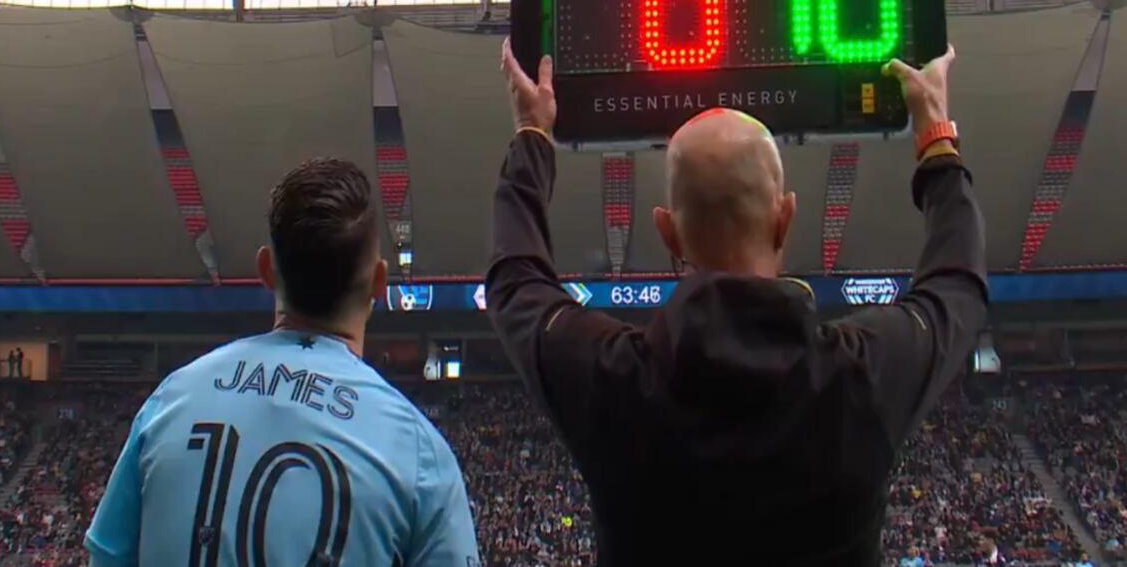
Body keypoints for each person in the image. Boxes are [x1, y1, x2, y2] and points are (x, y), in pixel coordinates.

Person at [488, 40, 987, 566]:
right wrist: (935, 136)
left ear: (668, 233)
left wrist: (533, 133)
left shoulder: (613, 382)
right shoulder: (862, 379)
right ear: (785, 218)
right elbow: (957, 281)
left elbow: (514, 282)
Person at [85, 158, 479, 566]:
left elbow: (107, 556)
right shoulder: (418, 452)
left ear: (266, 270)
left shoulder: (172, 400)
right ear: (380, 283)